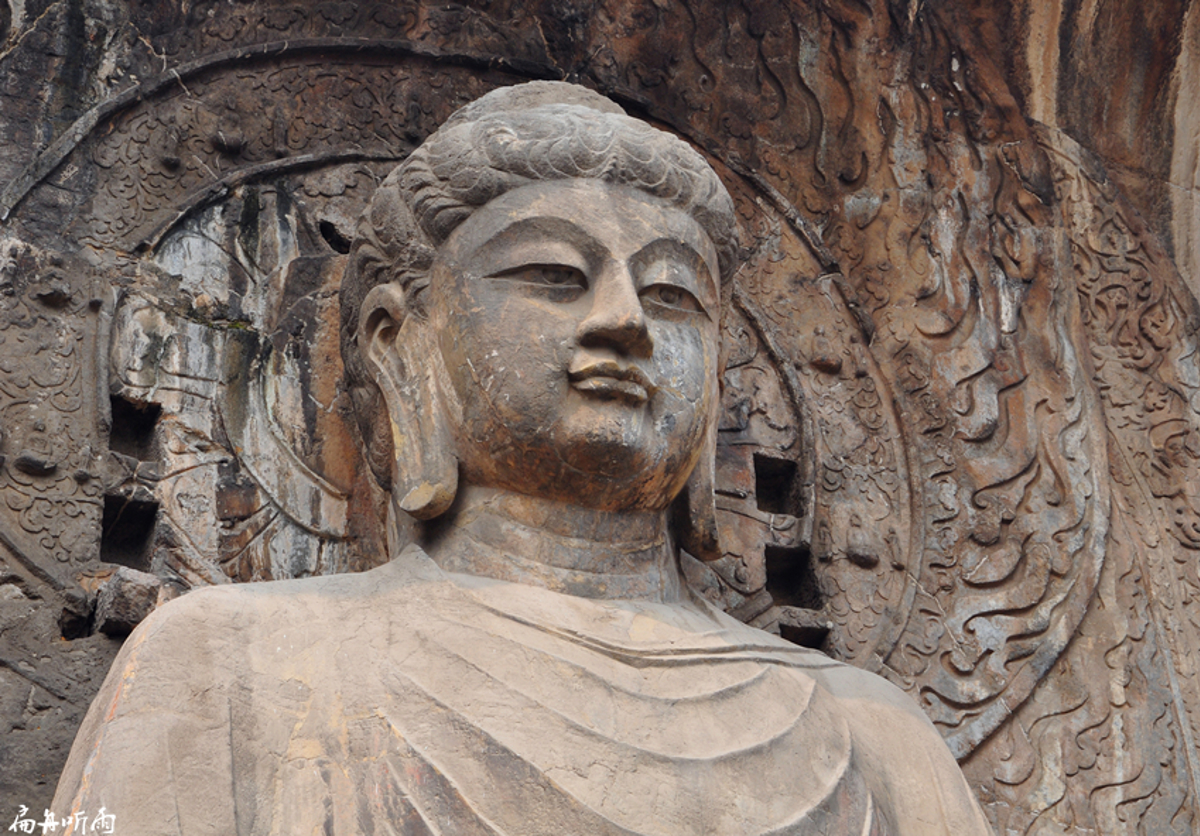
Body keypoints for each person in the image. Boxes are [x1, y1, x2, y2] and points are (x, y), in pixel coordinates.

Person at [53, 81, 992, 835]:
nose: (623, 320)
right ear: (397, 341)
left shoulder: (874, 731)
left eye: (673, 294)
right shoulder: (226, 665)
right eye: (550, 275)